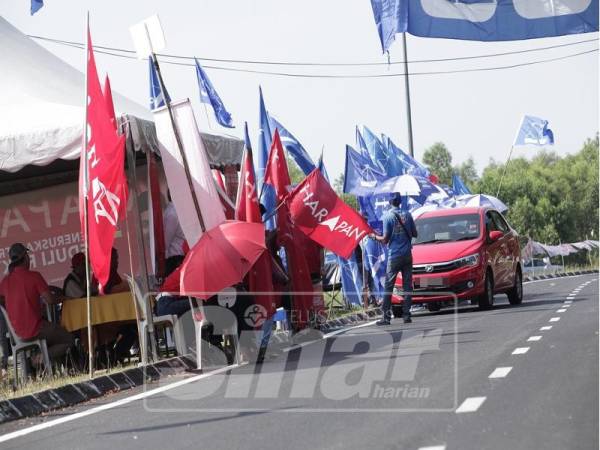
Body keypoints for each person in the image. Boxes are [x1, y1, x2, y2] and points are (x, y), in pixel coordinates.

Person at [0, 243, 74, 362]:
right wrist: (64, 298)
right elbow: (50, 301)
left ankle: (42, 362)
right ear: (25, 258)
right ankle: (38, 359)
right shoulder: (34, 276)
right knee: (69, 339)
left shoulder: (5, 281)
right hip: (36, 329)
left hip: (16, 334)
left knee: (52, 331)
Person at [370, 194, 418, 325]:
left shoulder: (387, 216)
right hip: (407, 255)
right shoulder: (408, 215)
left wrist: (374, 237)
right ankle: (407, 315)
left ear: (389, 202)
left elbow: (385, 239)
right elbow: (415, 234)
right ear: (400, 201)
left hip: (394, 256)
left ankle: (386, 317)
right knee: (407, 285)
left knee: (388, 287)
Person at [163, 192, 187, 277]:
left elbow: (166, 240)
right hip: (178, 256)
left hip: (175, 258)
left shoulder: (172, 213)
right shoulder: (177, 211)